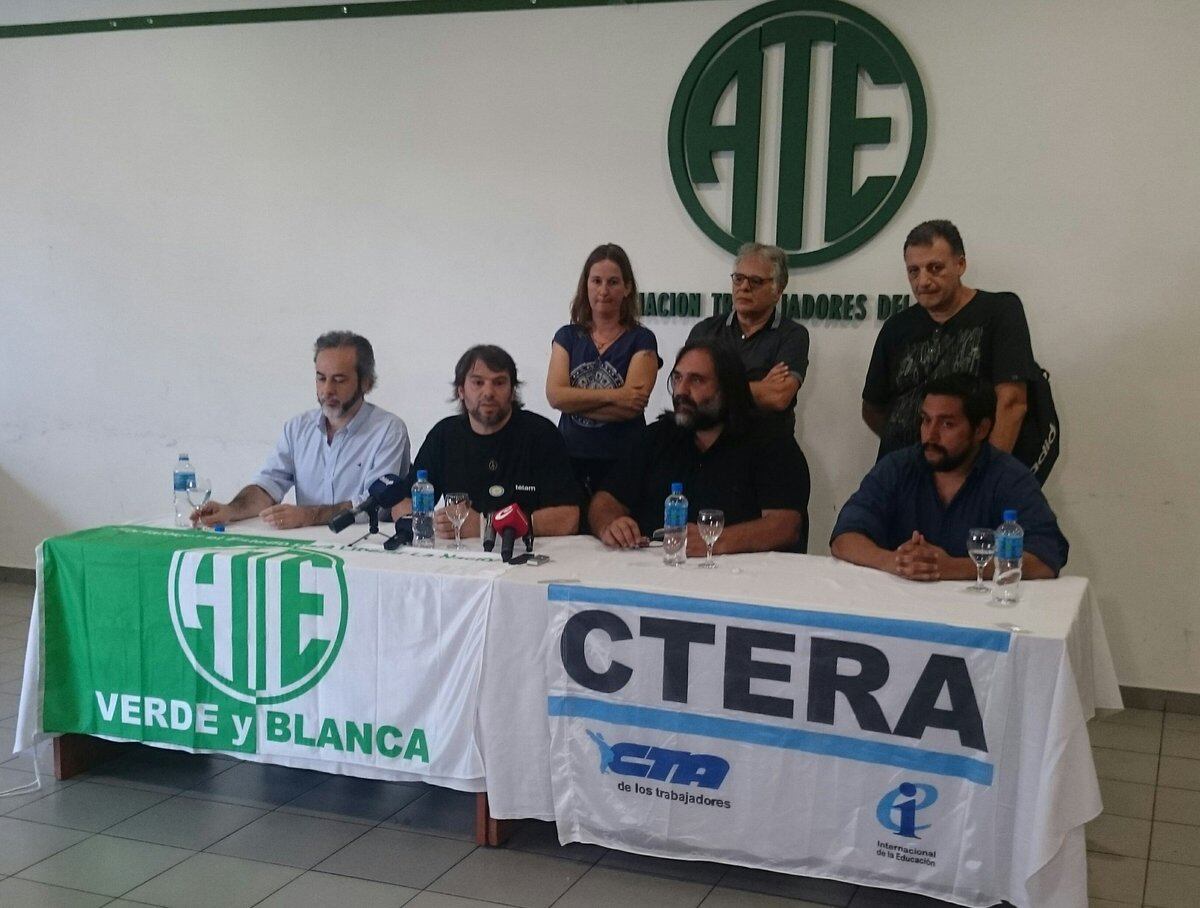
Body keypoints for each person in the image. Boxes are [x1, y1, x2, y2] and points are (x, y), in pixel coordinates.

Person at [832, 374, 1068, 581]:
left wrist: (954, 568)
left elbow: (1045, 559)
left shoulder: (1009, 477)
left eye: (947, 424)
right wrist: (895, 561)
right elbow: (844, 537)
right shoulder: (897, 467)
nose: (931, 435)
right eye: (926, 420)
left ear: (981, 430)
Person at [589, 340, 809, 556]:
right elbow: (605, 501)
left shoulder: (771, 441)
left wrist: (715, 540)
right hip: (656, 572)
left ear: (727, 389)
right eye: (677, 378)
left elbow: (785, 526)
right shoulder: (656, 436)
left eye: (697, 381)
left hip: (740, 579)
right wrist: (610, 524)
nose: (681, 391)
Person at [862, 219, 1044, 462]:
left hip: (972, 475)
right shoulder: (896, 327)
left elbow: (1012, 403)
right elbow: (872, 408)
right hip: (902, 476)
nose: (923, 281)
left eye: (935, 268)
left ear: (960, 264)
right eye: (913, 271)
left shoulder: (1000, 312)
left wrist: (986, 479)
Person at [192, 331, 410, 529]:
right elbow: (268, 486)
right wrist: (230, 510)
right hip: (308, 547)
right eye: (321, 378)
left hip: (365, 547)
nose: (327, 390)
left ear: (366, 383)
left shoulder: (388, 430)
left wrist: (309, 515)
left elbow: (376, 504)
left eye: (339, 380)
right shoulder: (298, 428)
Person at [395, 344, 580, 540]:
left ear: (512, 390)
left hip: (526, 556)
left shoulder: (541, 434)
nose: (489, 392)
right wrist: (434, 524)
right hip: (460, 560)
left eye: (499, 383)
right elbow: (402, 504)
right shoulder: (444, 435)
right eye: (478, 383)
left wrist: (487, 525)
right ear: (461, 391)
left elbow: (569, 518)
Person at [545, 243, 660, 495]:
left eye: (613, 282)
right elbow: (556, 396)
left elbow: (632, 406)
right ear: (585, 285)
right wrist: (616, 395)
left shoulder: (642, 339)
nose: (603, 290)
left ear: (627, 288)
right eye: (596, 281)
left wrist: (574, 400)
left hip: (623, 462)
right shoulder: (567, 336)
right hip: (570, 458)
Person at [687, 242, 809, 436]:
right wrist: (760, 388)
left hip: (767, 452)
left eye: (756, 281)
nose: (744, 287)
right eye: (738, 278)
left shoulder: (792, 335)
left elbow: (778, 396)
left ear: (778, 290)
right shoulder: (705, 331)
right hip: (710, 448)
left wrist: (715, 388)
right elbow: (688, 393)